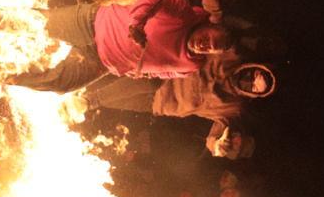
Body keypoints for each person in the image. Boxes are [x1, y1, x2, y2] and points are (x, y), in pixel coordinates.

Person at [9, 0, 233, 93]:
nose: (205, 45)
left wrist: (135, 71)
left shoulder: (191, 66)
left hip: (101, 63)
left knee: (59, 83)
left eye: (211, 48)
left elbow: (162, 73)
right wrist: (136, 23)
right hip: (92, 23)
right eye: (207, 38)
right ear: (206, 25)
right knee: (33, 23)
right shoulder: (184, 15)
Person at [81, 59, 277, 158]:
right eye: (253, 76)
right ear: (252, 67)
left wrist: (216, 146)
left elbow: (214, 137)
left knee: (109, 99)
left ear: (253, 94)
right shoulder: (228, 58)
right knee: (98, 97)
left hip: (159, 105)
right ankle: (84, 99)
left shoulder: (232, 108)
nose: (248, 81)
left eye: (253, 87)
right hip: (160, 78)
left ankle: (80, 95)